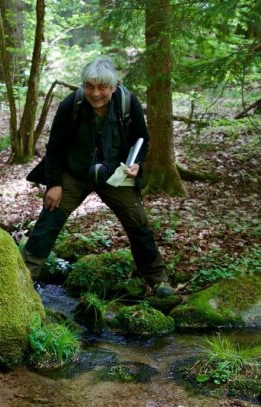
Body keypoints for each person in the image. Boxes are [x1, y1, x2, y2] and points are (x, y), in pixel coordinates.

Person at [23, 57, 172, 296]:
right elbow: (55, 148)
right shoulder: (71, 105)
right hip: (75, 173)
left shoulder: (128, 104)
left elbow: (141, 140)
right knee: (49, 219)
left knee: (138, 223)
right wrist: (55, 184)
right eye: (90, 86)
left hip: (115, 175)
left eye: (102, 87)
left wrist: (136, 165)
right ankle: (25, 278)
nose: (95, 93)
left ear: (114, 87)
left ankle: (158, 280)